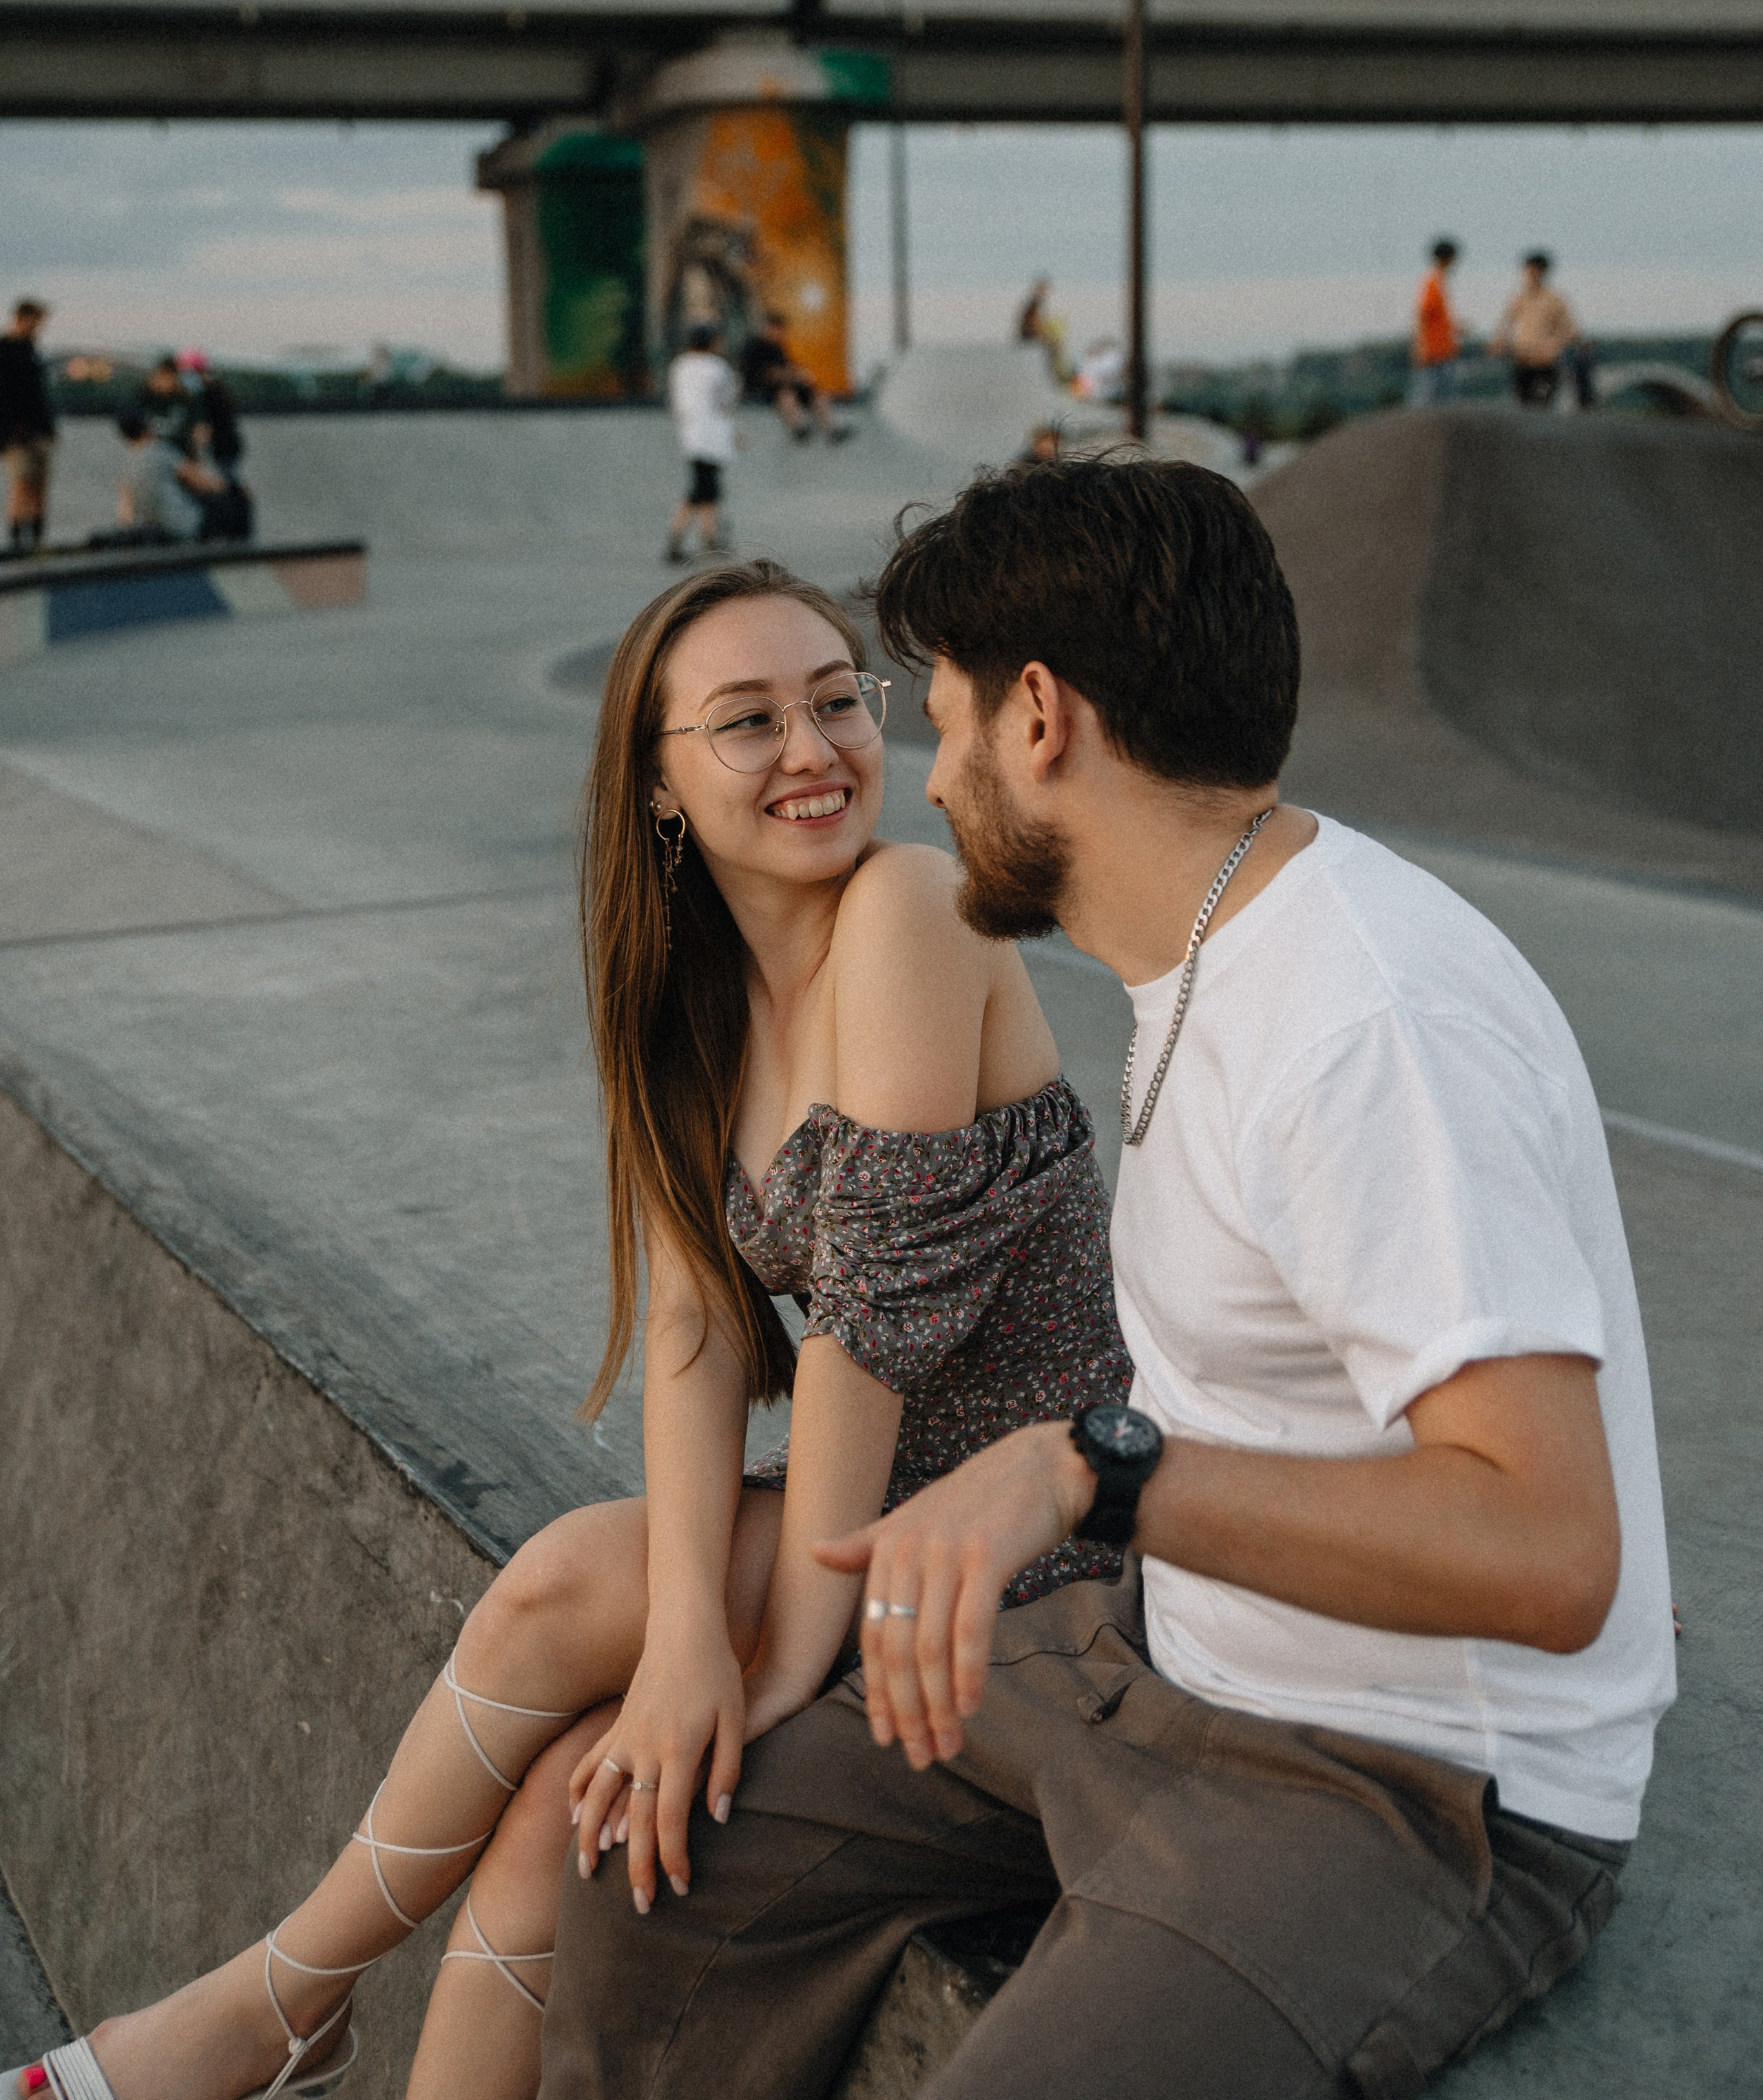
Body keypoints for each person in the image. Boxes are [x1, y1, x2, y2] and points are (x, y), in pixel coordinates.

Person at [539, 456, 1676, 2100]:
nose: (926, 783)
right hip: (1151, 1658)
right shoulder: (1201, 953)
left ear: (1039, 717)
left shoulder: (1363, 1024)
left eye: (940, 721)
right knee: (648, 1874)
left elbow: (1550, 1548)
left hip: (1404, 1781)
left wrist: (1091, 1468)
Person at [11, 556, 1127, 2100]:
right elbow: (696, 1333)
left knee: (563, 1595)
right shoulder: (696, 993)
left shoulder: (908, 908)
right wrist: (682, 1643)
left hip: (1033, 1548)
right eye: (747, 720)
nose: (812, 750)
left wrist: (766, 1674)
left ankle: (273, 2005)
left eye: (835, 700)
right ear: (659, 783)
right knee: (562, 1809)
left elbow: (867, 1336)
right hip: (873, 1516)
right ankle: (280, 2012)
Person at [102, 410, 252, 547]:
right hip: (184, 526)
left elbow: (125, 512)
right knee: (237, 499)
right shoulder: (161, 450)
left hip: (156, 527)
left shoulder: (127, 462)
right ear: (147, 426)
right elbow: (205, 483)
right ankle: (243, 551)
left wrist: (126, 533)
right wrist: (236, 488)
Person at [664, 328, 741, 562]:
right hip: (713, 437)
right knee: (700, 490)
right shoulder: (717, 366)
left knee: (708, 489)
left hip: (691, 435)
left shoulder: (680, 365)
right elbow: (727, 400)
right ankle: (677, 541)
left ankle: (709, 538)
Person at [740, 313, 851, 445]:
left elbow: (786, 366)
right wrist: (793, 376)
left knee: (817, 394)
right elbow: (768, 374)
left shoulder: (777, 347)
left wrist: (799, 375)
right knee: (787, 397)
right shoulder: (754, 347)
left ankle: (833, 430)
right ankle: (799, 429)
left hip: (785, 384)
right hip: (762, 389)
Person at [1, 297, 56, 558]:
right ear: (23, 319)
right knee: (22, 484)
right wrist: (11, 431)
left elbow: (39, 396)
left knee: (40, 486)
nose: (39, 327)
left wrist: (49, 429)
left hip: (39, 432)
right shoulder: (5, 349)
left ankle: (36, 540)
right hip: (16, 435)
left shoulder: (31, 349)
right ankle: (16, 542)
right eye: (36, 322)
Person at [1492, 251, 1578, 408]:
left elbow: (1570, 330)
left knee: (1542, 405)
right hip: (1522, 359)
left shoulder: (1554, 299)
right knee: (1523, 405)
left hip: (1545, 362)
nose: (1530, 275)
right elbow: (1506, 322)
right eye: (1528, 271)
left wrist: (1554, 347)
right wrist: (1499, 341)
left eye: (1534, 271)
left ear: (1543, 272)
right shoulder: (1520, 297)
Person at [179, 348, 247, 482]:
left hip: (223, 447)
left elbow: (204, 429)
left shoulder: (208, 393)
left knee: (226, 482)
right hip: (227, 446)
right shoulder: (217, 388)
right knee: (230, 480)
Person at [1409, 237, 1462, 406]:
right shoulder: (1432, 283)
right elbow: (1422, 315)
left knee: (1441, 397)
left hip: (1443, 350)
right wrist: (1421, 346)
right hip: (1434, 352)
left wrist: (1455, 329)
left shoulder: (1439, 282)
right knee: (1429, 397)